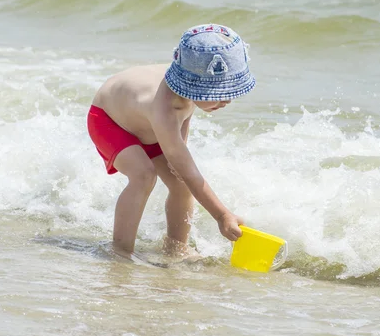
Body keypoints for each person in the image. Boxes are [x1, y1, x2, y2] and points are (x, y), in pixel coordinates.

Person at [87, 24, 255, 256]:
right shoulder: (164, 108)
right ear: (195, 89)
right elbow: (190, 169)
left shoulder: (188, 82)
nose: (226, 101)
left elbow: (184, 117)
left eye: (230, 92)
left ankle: (176, 248)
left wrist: (180, 150)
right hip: (110, 120)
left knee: (180, 183)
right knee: (144, 175)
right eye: (219, 93)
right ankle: (121, 251)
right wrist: (222, 215)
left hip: (148, 123)